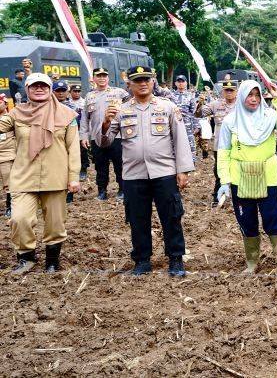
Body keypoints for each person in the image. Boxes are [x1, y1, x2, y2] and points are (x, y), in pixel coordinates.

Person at [98, 66, 194, 277]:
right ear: (129, 84)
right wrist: (105, 122)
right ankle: (142, 260)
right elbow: (104, 142)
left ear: (153, 82)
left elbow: (180, 139)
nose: (142, 83)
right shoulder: (121, 110)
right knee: (137, 218)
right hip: (134, 174)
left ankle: (176, 259)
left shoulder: (167, 107)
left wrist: (183, 170)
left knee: (171, 216)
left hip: (164, 171)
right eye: (137, 80)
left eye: (146, 79)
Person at [0, 73, 80, 273]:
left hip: (55, 177)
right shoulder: (17, 114)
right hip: (23, 177)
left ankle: (52, 261)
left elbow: (73, 149)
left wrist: (74, 177)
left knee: (55, 224)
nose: (39, 89)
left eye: (43, 86)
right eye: (34, 86)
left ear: (50, 88)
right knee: (20, 219)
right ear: (27, 89)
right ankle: (26, 257)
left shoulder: (66, 115)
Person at [217, 80, 277, 274]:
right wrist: (224, 181)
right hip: (240, 179)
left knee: (273, 219)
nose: (254, 99)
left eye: (257, 95)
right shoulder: (230, 121)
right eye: (249, 95)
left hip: (268, 177)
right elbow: (223, 152)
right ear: (242, 96)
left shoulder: (270, 116)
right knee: (247, 222)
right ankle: (252, 263)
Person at [81, 67, 128, 201]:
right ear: (93, 78)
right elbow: (85, 118)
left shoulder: (119, 92)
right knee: (100, 165)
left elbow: (132, 101)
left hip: (117, 135)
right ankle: (102, 191)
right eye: (99, 76)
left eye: (104, 76)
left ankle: (122, 189)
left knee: (120, 164)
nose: (102, 78)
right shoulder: (90, 96)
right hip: (97, 136)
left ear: (108, 78)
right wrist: (83, 136)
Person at [195, 80, 237, 206]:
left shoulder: (242, 105)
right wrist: (200, 104)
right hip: (221, 146)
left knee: (237, 170)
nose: (229, 93)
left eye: (232, 90)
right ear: (223, 91)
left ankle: (237, 197)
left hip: (238, 145)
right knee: (219, 171)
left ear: (236, 91)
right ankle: (217, 196)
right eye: (226, 90)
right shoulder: (216, 104)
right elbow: (199, 114)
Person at [171, 75, 200, 162]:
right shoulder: (171, 96)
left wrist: (196, 125)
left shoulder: (190, 96)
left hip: (187, 124)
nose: (180, 83)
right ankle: (175, 160)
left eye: (182, 81)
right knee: (174, 142)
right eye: (179, 81)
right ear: (175, 83)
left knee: (190, 142)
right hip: (174, 123)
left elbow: (194, 112)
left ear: (186, 83)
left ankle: (192, 161)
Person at [65, 84, 88, 181]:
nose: (77, 93)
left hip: (81, 129)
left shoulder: (85, 102)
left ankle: (83, 169)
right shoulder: (67, 103)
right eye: (75, 91)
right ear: (70, 92)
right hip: (69, 129)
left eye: (79, 91)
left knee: (83, 150)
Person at [0, 95, 15, 217]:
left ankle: (10, 206)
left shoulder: (11, 118)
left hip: (7, 155)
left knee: (9, 182)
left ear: (5, 104)